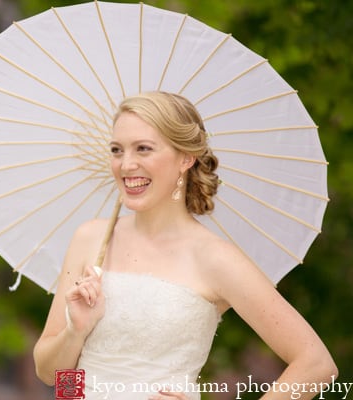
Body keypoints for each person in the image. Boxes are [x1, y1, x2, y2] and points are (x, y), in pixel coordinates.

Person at [33, 91, 337, 400]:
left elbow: (316, 364)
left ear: (185, 158)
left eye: (143, 149)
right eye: (117, 150)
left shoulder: (216, 259)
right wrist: (77, 332)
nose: (126, 165)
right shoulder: (91, 238)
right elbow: (50, 374)